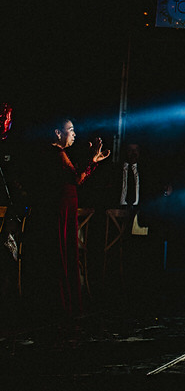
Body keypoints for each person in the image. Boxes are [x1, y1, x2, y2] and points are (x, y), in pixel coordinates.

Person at [26, 118, 110, 319]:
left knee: (64, 251)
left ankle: (63, 303)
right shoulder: (57, 153)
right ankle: (60, 304)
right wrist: (91, 157)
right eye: (70, 130)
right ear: (57, 133)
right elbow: (76, 178)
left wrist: (93, 160)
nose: (74, 134)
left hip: (65, 207)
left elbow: (77, 178)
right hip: (60, 209)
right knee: (61, 252)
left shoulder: (58, 154)